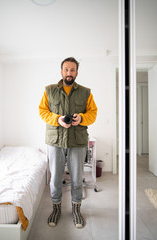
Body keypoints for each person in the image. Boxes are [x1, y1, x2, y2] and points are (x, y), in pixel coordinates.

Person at [39, 57, 98, 228]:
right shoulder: (49, 90)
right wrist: (58, 119)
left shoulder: (86, 92)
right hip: (55, 141)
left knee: (78, 178)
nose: (69, 73)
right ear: (61, 71)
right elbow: (43, 111)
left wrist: (81, 118)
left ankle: (76, 210)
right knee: (56, 177)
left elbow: (92, 113)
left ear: (77, 73)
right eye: (66, 69)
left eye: (72, 70)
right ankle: (56, 209)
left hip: (77, 141)